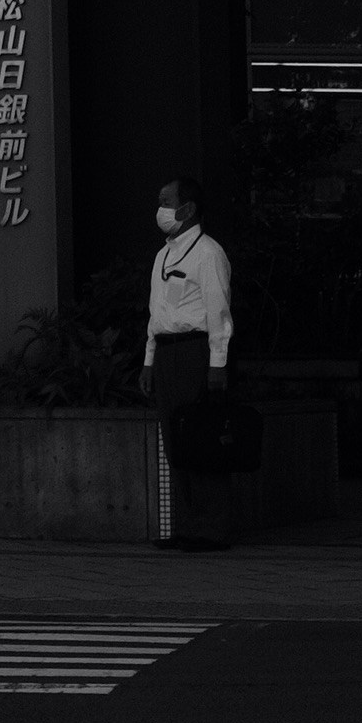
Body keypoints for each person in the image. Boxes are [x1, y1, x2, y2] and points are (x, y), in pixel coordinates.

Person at [142, 178, 236, 545]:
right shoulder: (163, 255)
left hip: (195, 350)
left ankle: (213, 528)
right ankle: (187, 526)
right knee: (175, 440)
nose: (160, 208)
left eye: (167, 201)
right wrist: (149, 359)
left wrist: (217, 363)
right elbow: (156, 313)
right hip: (167, 351)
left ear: (188, 208)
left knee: (202, 436)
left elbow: (219, 312)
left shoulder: (208, 253)